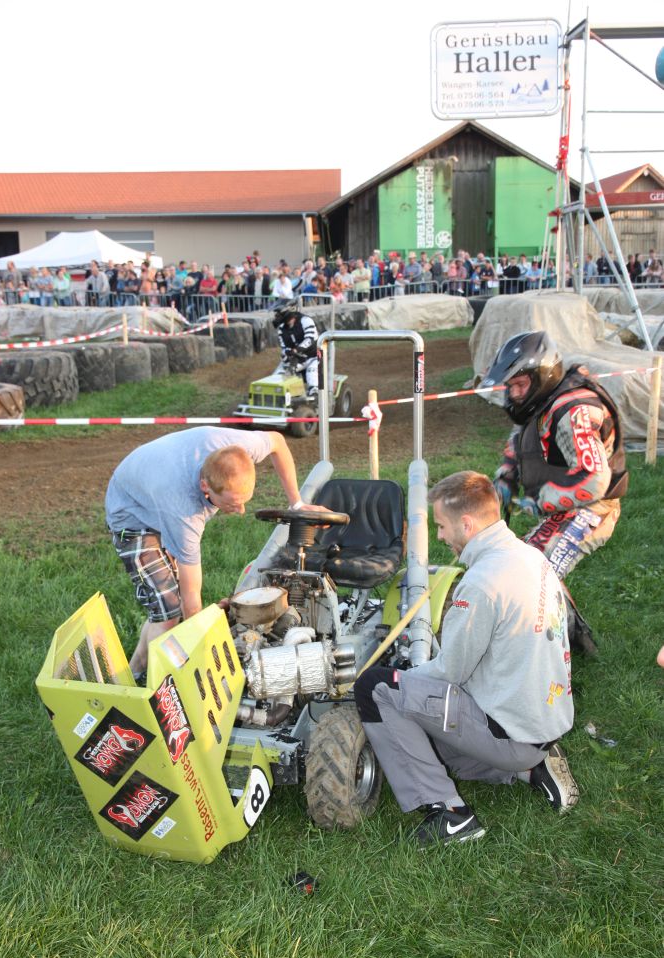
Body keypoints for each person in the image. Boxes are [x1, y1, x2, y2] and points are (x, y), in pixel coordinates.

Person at [355, 471, 578, 847]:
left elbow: (448, 673)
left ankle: (451, 814)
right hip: (545, 720)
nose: (440, 535)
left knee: (375, 688)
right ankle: (530, 769)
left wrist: (404, 675)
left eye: (441, 526)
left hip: (510, 734)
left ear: (467, 523)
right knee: (423, 739)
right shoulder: (531, 556)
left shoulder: (481, 583)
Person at [105, 427, 324, 681]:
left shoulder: (240, 446)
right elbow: (191, 596)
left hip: (154, 479)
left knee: (165, 608)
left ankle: (132, 676)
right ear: (205, 486)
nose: (241, 511)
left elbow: (277, 442)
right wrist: (201, 657)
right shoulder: (184, 510)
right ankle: (157, 689)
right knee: (169, 612)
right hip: (132, 514)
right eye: (232, 503)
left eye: (245, 500)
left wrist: (296, 503)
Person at [483, 331, 628, 648]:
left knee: (531, 571)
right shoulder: (542, 400)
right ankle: (574, 640)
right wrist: (506, 478)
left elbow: (593, 479)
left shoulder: (574, 410)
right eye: (511, 387)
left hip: (592, 508)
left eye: (520, 385)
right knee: (528, 563)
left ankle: (549, 650)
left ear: (542, 377)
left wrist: (541, 501)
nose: (515, 394)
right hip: (570, 506)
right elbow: (521, 437)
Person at [273, 300, 320, 394]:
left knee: (312, 377)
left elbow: (310, 339)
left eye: (279, 314)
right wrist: (286, 355)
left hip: (313, 357)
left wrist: (296, 350)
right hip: (296, 359)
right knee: (276, 378)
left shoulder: (305, 320)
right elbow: (284, 348)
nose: (277, 317)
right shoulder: (282, 329)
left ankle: (314, 396)